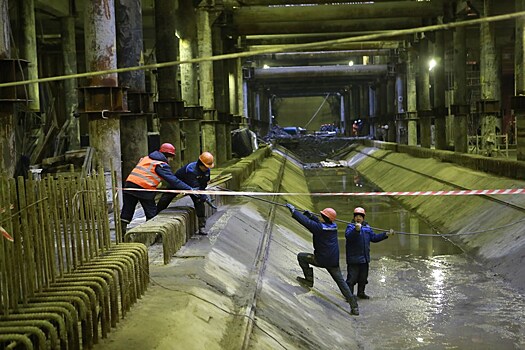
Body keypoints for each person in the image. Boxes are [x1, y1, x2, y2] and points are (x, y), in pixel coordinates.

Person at [285, 203, 359, 316]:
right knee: (341, 283)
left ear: (325, 218)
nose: (319, 216)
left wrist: (294, 211)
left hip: (321, 259)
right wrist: (312, 216)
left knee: (301, 257)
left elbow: (307, 223)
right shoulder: (334, 226)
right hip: (333, 261)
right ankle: (354, 306)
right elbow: (319, 223)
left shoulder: (319, 228)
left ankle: (309, 280)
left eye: (321, 215)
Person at [120, 143, 194, 234]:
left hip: (129, 185)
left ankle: (122, 233)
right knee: (151, 213)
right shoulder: (160, 164)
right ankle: (152, 233)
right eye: (171, 157)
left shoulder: (146, 159)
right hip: (144, 188)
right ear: (168, 156)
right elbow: (173, 180)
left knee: (127, 209)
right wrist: (189, 189)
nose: (171, 160)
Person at [156, 151, 215, 235]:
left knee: (199, 202)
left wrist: (203, 193)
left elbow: (203, 184)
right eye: (206, 167)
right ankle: (156, 215)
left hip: (194, 187)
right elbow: (194, 186)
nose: (207, 168)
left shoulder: (206, 171)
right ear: (200, 164)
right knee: (165, 198)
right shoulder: (191, 170)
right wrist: (201, 194)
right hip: (180, 184)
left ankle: (202, 226)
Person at [345, 206, 394, 299]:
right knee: (352, 278)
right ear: (354, 217)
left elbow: (374, 238)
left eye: (360, 216)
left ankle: (361, 293)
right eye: (356, 216)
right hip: (354, 259)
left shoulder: (367, 228)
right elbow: (349, 236)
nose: (358, 218)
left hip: (364, 259)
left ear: (363, 218)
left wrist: (386, 234)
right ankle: (349, 295)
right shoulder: (350, 227)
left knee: (363, 278)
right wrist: (356, 230)